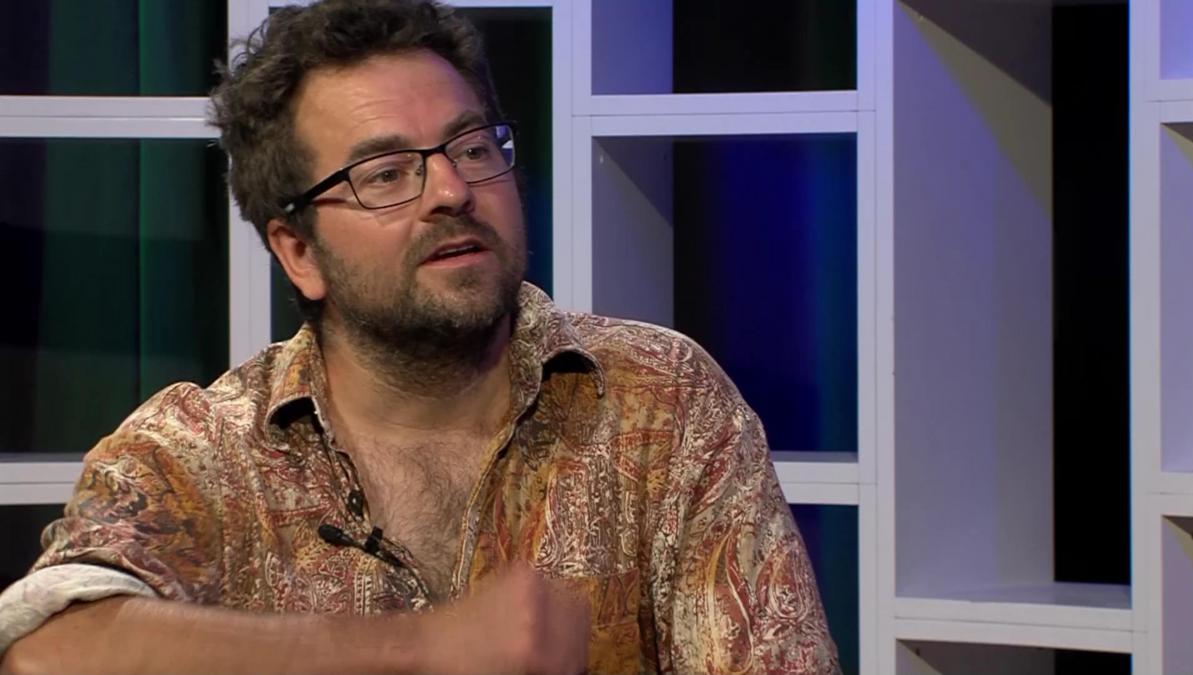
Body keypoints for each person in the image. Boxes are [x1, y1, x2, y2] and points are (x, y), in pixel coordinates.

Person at [0, 1, 840, 673]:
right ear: (297, 252)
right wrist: (417, 648)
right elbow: (44, 651)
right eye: (387, 173)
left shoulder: (662, 399)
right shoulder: (199, 453)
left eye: (471, 147)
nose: (450, 189)